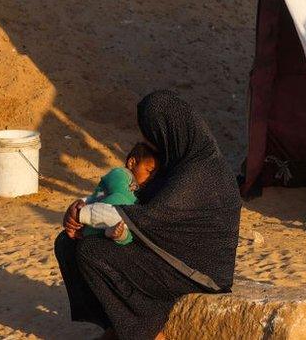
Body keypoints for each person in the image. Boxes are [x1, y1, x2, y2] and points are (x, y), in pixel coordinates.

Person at [54, 90, 242, 339]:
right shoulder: (175, 163)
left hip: (196, 272)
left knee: (93, 252)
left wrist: (85, 215)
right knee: (67, 244)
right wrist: (81, 206)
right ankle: (115, 325)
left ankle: (146, 330)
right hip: (165, 252)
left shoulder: (201, 170)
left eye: (153, 136)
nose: (150, 144)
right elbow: (133, 202)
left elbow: (150, 216)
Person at [78, 142, 160, 244]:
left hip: (109, 228)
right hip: (94, 222)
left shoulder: (139, 190)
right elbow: (119, 196)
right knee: (122, 203)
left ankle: (120, 235)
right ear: (132, 163)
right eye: (149, 171)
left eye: (154, 175)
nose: (151, 177)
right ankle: (84, 217)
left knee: (130, 231)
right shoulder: (120, 174)